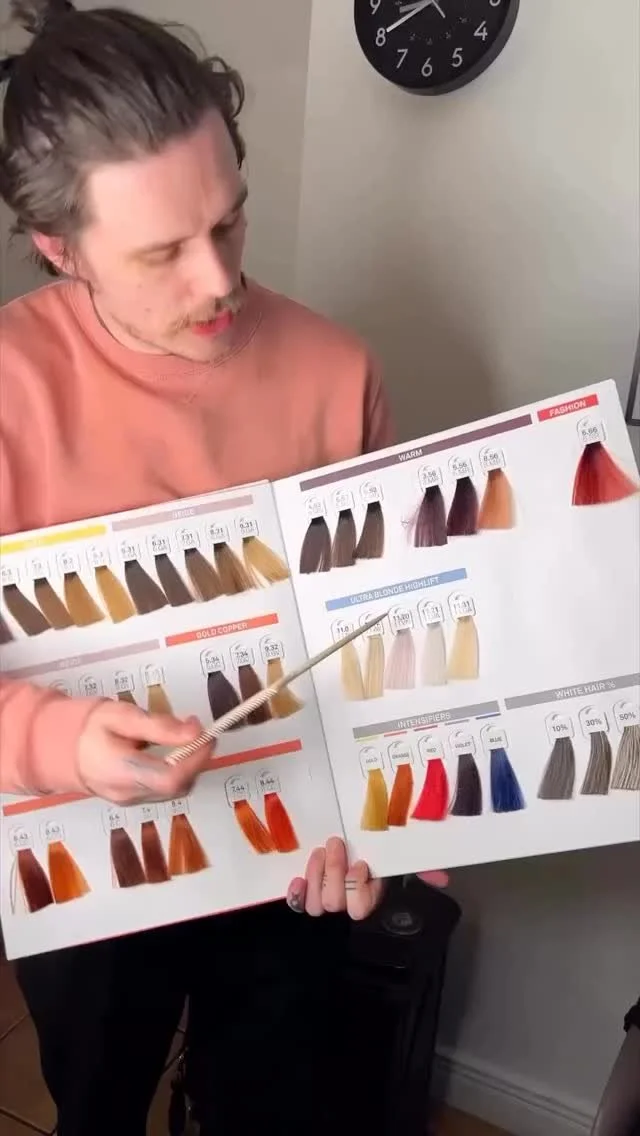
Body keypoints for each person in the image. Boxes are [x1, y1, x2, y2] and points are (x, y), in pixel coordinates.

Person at [0, 3, 446, 1133]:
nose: (218, 281)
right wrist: (60, 740)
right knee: (97, 1100)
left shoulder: (338, 370)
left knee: (269, 1103)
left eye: (231, 220)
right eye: (161, 252)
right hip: (86, 865)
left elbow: (392, 637)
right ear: (59, 247)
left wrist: (405, 827)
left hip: (291, 858)